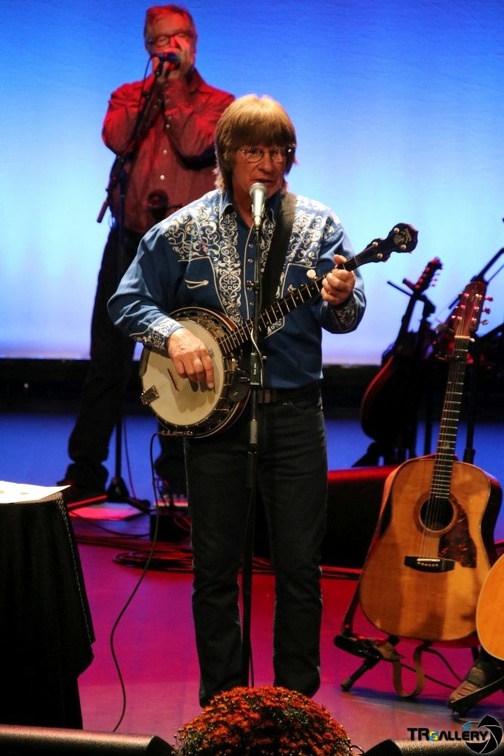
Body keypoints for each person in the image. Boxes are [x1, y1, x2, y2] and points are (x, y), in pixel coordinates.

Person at [108, 94, 366, 706]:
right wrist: (171, 335)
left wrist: (342, 296)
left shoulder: (319, 225)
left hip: (295, 416)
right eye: (255, 151)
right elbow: (127, 301)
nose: (269, 164)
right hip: (217, 424)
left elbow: (347, 318)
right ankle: (222, 708)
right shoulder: (185, 229)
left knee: (300, 570)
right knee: (215, 571)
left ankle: (296, 709)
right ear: (226, 155)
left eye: (280, 151)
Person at [58, 4, 234, 504]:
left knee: (181, 361)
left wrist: (173, 92)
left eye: (179, 38)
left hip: (188, 252)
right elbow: (116, 137)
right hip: (128, 242)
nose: (170, 47)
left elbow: (198, 144)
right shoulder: (127, 95)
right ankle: (85, 474)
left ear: (194, 43)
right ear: (147, 46)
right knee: (107, 361)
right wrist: (155, 92)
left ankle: (176, 481)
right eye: (161, 39)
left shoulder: (219, 105)